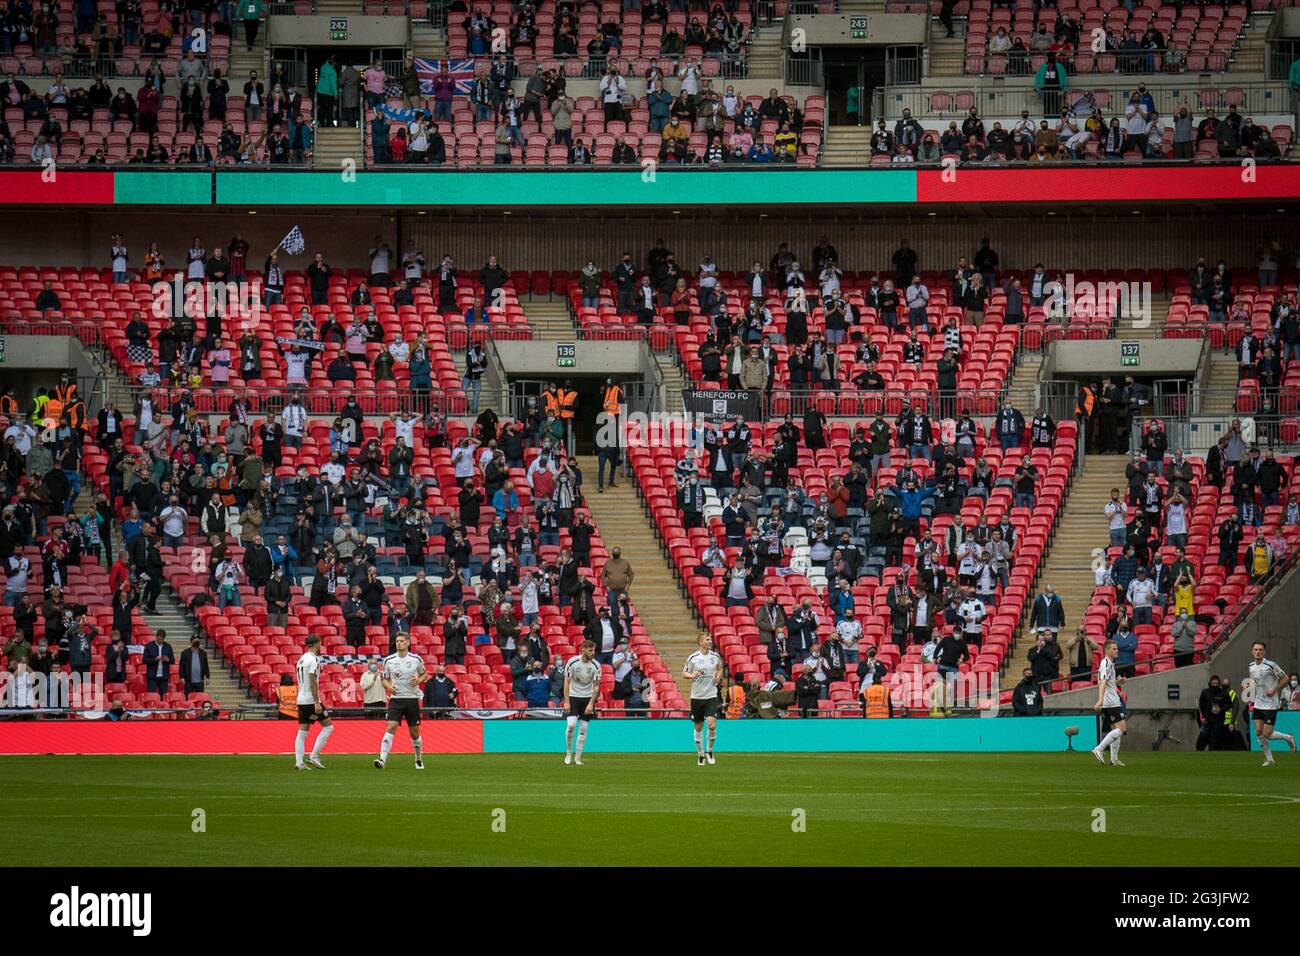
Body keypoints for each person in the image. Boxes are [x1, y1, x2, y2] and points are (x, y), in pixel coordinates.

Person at [374, 633, 429, 770]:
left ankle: (418, 759)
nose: (399, 643)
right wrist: (389, 687)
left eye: (402, 641)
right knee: (390, 726)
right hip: (396, 699)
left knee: (414, 732)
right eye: (397, 641)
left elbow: (424, 674)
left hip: (411, 699)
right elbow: (385, 679)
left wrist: (418, 680)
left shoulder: (416, 659)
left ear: (408, 643)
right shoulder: (389, 660)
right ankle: (382, 759)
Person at [1247, 640, 1296, 767]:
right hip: (1258, 703)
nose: (1258, 652)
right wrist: (1249, 688)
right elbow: (1253, 682)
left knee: (1267, 734)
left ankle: (1288, 738)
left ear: (1264, 651)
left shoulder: (1271, 665)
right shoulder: (1251, 666)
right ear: (1252, 651)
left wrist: (1275, 689)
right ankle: (1270, 759)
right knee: (1258, 732)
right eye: (1256, 650)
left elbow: (1285, 678)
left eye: (1260, 650)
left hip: (1270, 704)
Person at [293, 635, 334, 770]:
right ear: (316, 644)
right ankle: (314, 755)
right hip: (310, 700)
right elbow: (312, 681)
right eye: (320, 643)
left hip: (301, 700)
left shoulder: (301, 659)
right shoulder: (313, 659)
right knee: (328, 727)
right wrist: (317, 702)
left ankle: (299, 762)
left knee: (302, 732)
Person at [684, 631, 724, 765]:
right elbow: (685, 673)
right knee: (699, 727)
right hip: (696, 697)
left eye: (710, 639)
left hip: (711, 695)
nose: (710, 642)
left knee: (712, 725)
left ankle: (709, 750)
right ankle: (700, 754)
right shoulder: (693, 657)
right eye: (707, 640)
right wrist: (692, 675)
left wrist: (718, 677)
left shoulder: (715, 656)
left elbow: (719, 668)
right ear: (701, 642)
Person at [562, 639, 601, 765]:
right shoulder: (572, 662)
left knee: (584, 728)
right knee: (572, 725)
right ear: (582, 650)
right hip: (573, 697)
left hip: (587, 698)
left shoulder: (596, 665)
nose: (593, 653)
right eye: (590, 650)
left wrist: (591, 704)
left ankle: (578, 758)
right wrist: (567, 702)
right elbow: (567, 682)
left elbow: (596, 686)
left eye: (594, 650)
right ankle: (568, 753)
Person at [1092, 639, 1127, 767]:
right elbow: (1102, 683)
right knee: (1122, 728)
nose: (1116, 650)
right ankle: (1099, 748)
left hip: (1111, 700)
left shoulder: (1109, 663)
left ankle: (1114, 759)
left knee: (1116, 730)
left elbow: (1107, 681)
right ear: (1106, 650)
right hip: (1111, 702)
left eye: (1117, 649)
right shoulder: (1106, 663)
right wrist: (1100, 700)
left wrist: (1118, 682)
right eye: (1114, 649)